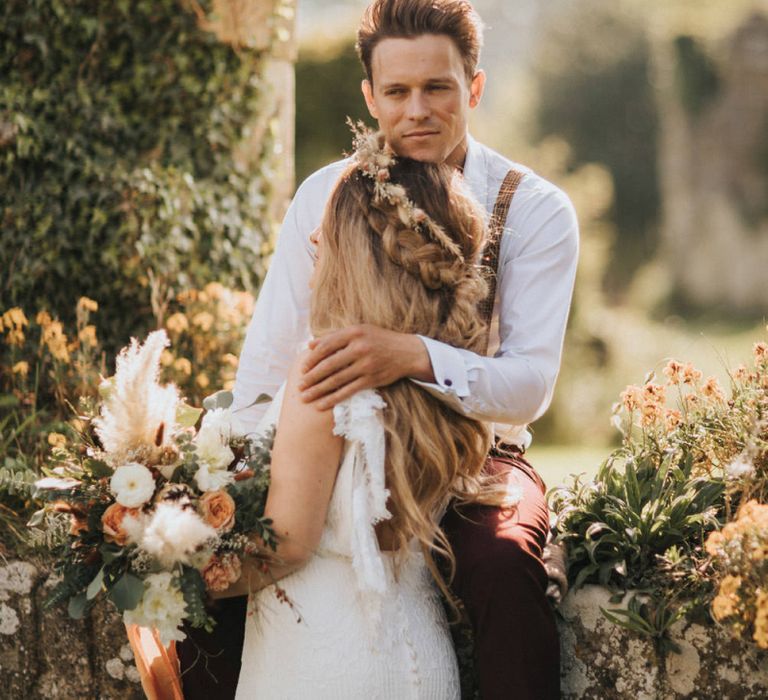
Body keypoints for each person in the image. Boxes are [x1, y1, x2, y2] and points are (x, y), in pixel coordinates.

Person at [178, 1, 578, 698]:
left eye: (438, 89)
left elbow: (529, 387)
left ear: (474, 87)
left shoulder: (535, 209)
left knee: (503, 560)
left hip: (474, 450)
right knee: (213, 572)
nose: (416, 110)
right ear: (370, 96)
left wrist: (411, 355)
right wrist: (224, 479)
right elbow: (266, 365)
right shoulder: (321, 198)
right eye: (397, 92)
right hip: (334, 441)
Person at [211, 132, 517, 698]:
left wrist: (177, 567)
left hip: (319, 662)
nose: (312, 236)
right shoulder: (439, 371)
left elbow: (285, 546)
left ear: (355, 252)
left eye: (327, 225)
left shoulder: (323, 372)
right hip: (424, 663)